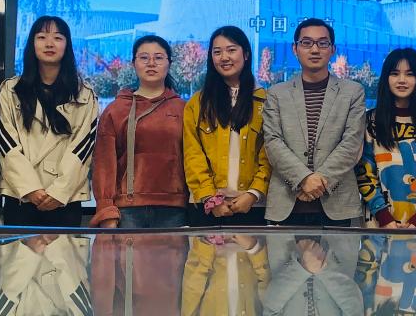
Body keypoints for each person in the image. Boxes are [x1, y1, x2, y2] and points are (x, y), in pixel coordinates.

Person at [261, 18, 366, 227]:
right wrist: (303, 179)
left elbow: (351, 144)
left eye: (323, 43)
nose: (315, 49)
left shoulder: (353, 92)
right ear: (295, 49)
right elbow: (273, 142)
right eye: (307, 43)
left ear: (333, 49)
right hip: (286, 204)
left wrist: (318, 181)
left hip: (337, 204)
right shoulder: (276, 94)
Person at [0, 16, 98, 227]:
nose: (49, 43)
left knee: (65, 250)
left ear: (67, 45)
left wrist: (58, 192)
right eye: (42, 37)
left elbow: (83, 148)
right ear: (32, 44)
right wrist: (31, 189)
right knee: (19, 250)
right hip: (20, 196)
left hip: (65, 200)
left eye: (57, 38)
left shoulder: (84, 95)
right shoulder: (10, 91)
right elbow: (6, 144)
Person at [90, 35, 187, 228]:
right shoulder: (116, 110)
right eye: (144, 57)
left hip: (174, 209)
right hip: (128, 210)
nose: (151, 63)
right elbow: (104, 164)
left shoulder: (183, 109)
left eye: (158, 57)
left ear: (169, 63)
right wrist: (105, 209)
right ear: (133, 63)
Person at [183, 26, 271, 226]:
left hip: (253, 205)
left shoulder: (266, 101)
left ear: (245, 54)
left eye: (231, 50)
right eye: (217, 52)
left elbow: (269, 153)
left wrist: (253, 193)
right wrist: (211, 197)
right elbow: (192, 154)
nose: (224, 57)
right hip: (207, 206)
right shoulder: (197, 104)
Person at [356, 47, 416, 228]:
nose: (402, 80)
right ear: (386, 78)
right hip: (378, 225)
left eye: (409, 74)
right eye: (395, 73)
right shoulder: (369, 122)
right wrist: (384, 216)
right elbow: (364, 173)